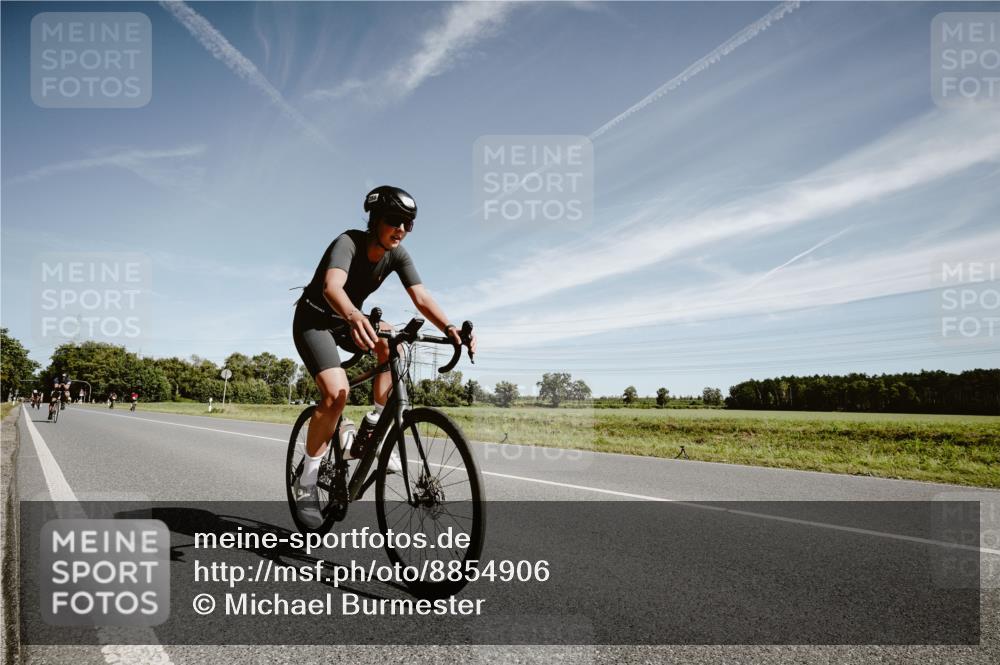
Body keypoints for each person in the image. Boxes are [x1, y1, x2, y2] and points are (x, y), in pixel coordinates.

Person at [290, 185, 477, 528]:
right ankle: (307, 482)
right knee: (335, 394)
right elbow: (332, 287)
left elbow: (421, 298)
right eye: (395, 221)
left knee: (394, 341)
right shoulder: (348, 242)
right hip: (315, 320)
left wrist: (450, 327)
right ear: (375, 219)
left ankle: (375, 424)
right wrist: (353, 316)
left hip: (350, 320)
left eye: (409, 224)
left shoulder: (398, 255)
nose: (402, 229)